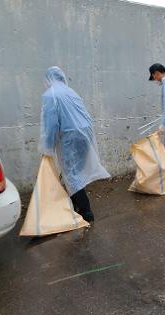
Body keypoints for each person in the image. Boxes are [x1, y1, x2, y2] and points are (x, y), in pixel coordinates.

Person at [40, 66, 110, 222]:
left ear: (48, 79)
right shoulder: (71, 91)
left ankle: (86, 212)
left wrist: (47, 147)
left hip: (70, 136)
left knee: (71, 174)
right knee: (75, 172)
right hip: (85, 134)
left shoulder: (50, 95)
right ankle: (74, 206)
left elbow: (50, 124)